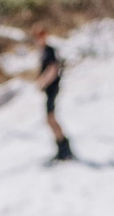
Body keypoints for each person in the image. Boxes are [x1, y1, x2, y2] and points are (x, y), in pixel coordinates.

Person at [34, 27, 72, 163]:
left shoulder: (49, 51)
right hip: (50, 89)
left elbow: (53, 69)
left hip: (52, 89)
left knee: (50, 118)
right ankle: (62, 147)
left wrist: (42, 82)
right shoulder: (44, 51)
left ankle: (64, 148)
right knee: (50, 119)